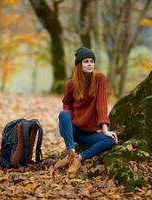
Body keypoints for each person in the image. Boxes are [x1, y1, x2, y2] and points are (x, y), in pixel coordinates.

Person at [54, 47, 118, 177]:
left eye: (91, 61)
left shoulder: (100, 78)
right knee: (63, 114)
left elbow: (102, 104)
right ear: (79, 65)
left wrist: (105, 129)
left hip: (88, 133)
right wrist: (70, 117)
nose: (90, 64)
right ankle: (71, 152)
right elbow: (67, 103)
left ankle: (76, 159)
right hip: (73, 130)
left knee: (109, 141)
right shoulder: (71, 84)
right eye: (86, 61)